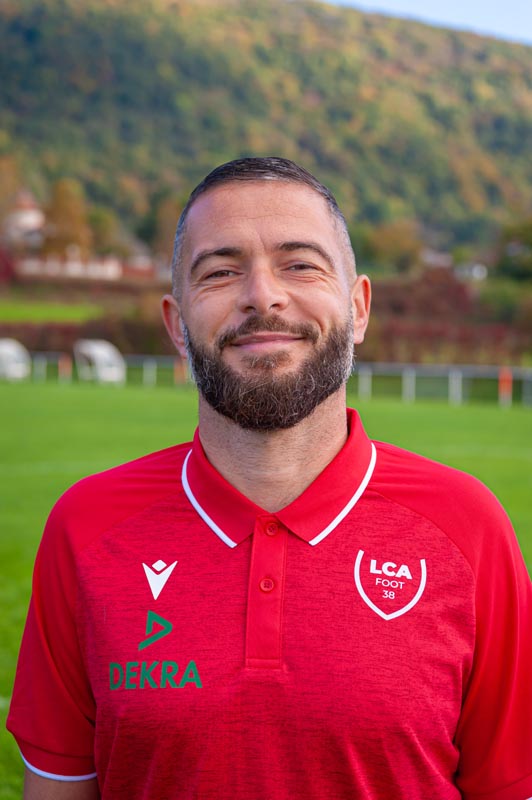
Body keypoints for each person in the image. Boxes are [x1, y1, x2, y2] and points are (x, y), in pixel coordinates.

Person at [7, 157, 532, 800]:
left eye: (300, 264)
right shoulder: (85, 528)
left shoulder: (468, 528)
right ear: (176, 325)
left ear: (358, 306)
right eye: (221, 271)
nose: (263, 295)